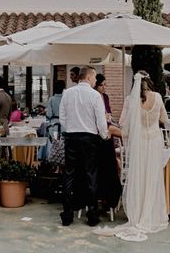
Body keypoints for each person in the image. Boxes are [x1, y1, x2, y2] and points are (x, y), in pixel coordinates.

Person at [109, 71, 169, 242]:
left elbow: (123, 125)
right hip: (155, 140)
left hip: (140, 143)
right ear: (149, 81)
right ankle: (152, 213)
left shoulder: (130, 100)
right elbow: (164, 119)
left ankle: (138, 213)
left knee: (139, 176)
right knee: (153, 176)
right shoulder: (157, 97)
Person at [59, 66, 108, 227]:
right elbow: (101, 120)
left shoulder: (67, 94)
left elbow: (62, 117)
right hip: (89, 138)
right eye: (94, 78)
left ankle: (67, 214)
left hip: (71, 137)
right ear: (87, 78)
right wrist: (104, 135)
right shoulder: (95, 96)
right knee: (91, 175)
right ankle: (92, 214)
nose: (95, 81)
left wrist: (69, 130)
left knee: (69, 174)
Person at [94, 74, 121, 213]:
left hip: (107, 133)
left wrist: (108, 117)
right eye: (102, 85)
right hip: (97, 135)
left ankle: (108, 198)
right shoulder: (93, 97)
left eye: (105, 84)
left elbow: (108, 114)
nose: (104, 87)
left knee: (110, 165)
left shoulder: (105, 97)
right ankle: (99, 195)